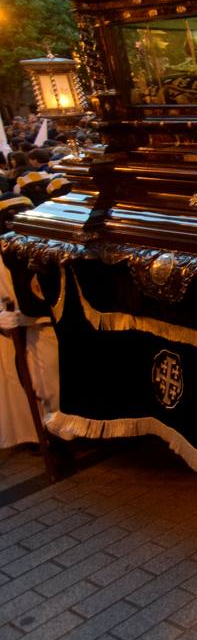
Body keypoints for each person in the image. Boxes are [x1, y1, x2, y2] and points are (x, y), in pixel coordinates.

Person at [0, 192, 58, 452]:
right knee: (36, 385)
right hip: (19, 333)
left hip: (47, 326)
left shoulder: (45, 245)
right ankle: (44, 436)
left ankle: (63, 434)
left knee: (54, 383)